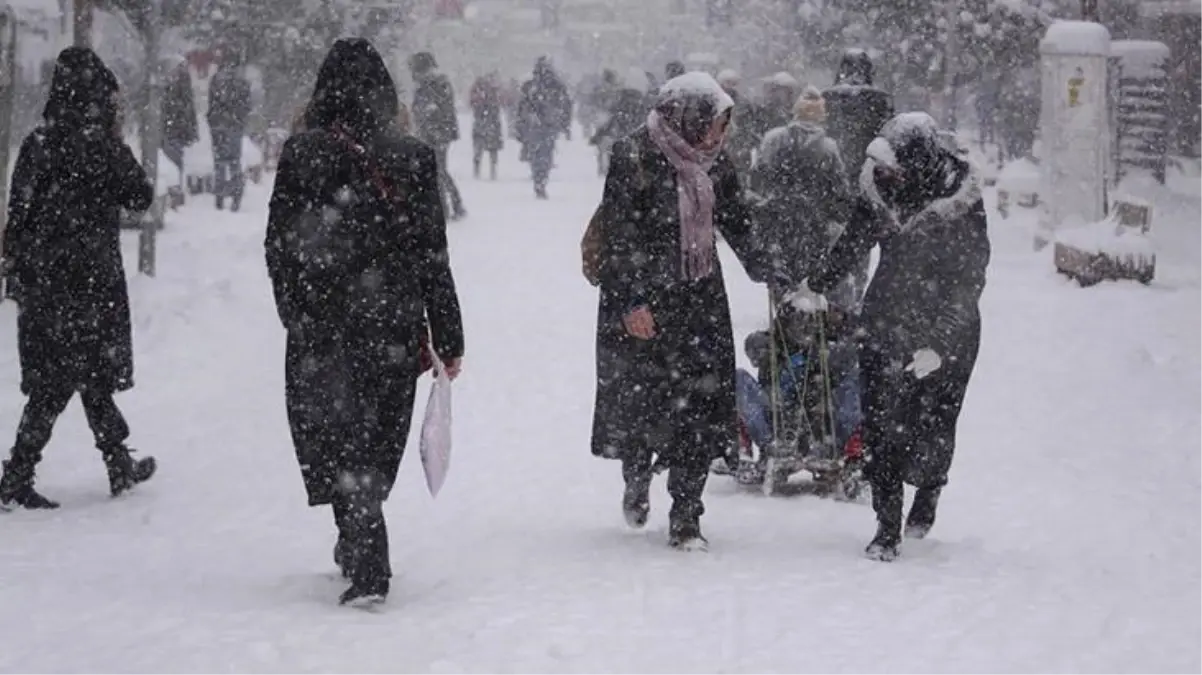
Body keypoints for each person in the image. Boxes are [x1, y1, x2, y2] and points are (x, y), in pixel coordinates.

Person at [265, 38, 465, 606]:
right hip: (393, 325)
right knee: (375, 441)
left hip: (322, 328)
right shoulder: (412, 155)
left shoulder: (301, 154)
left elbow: (278, 244)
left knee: (336, 438)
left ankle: (360, 542)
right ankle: (364, 537)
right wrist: (447, 335)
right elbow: (433, 254)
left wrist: (295, 310)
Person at [590, 72, 769, 551]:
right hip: (645, 302)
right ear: (687, 116)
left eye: (725, 124)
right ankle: (636, 475)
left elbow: (737, 222)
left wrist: (771, 269)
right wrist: (631, 301)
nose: (721, 134)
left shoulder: (715, 162)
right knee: (642, 402)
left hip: (699, 299)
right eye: (716, 123)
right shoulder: (635, 155)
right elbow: (620, 236)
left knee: (701, 406)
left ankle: (686, 514)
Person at [801, 112, 989, 562]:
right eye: (882, 169)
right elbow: (851, 244)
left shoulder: (960, 201)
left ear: (919, 163)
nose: (886, 177)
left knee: (934, 425)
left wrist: (939, 344)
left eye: (894, 169)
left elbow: (970, 277)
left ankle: (928, 491)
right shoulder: (879, 190)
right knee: (882, 426)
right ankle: (886, 527)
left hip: (949, 328)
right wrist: (813, 285)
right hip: (886, 320)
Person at [0, 47, 157, 509]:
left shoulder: (38, 144)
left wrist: (18, 272)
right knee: (82, 373)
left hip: (46, 283)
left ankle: (107, 463)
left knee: (71, 375)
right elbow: (140, 196)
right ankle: (20, 474)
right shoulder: (103, 146)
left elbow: (19, 213)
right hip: (94, 281)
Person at [409, 51, 466, 220]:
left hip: (438, 133)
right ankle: (452, 205)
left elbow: (443, 109)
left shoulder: (437, 83)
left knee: (437, 170)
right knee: (438, 170)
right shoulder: (426, 83)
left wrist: (433, 122)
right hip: (431, 132)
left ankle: (447, 207)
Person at [517, 57, 572, 199]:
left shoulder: (530, 85)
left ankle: (539, 179)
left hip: (536, 124)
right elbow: (566, 105)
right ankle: (541, 180)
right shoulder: (556, 85)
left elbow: (522, 107)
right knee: (545, 153)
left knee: (537, 154)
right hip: (548, 124)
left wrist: (521, 123)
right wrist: (565, 124)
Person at [208, 49, 252, 211]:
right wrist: (238, 120)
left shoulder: (216, 79)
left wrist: (214, 121)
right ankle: (236, 195)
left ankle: (219, 196)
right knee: (234, 161)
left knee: (219, 162)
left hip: (219, 126)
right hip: (234, 126)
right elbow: (246, 105)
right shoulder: (242, 81)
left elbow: (212, 104)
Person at [469, 71, 504, 180]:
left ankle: (479, 170)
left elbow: (472, 104)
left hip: (483, 122)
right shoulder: (493, 92)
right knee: (490, 150)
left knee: (479, 149)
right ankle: (490, 171)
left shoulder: (480, 91)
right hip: (490, 123)